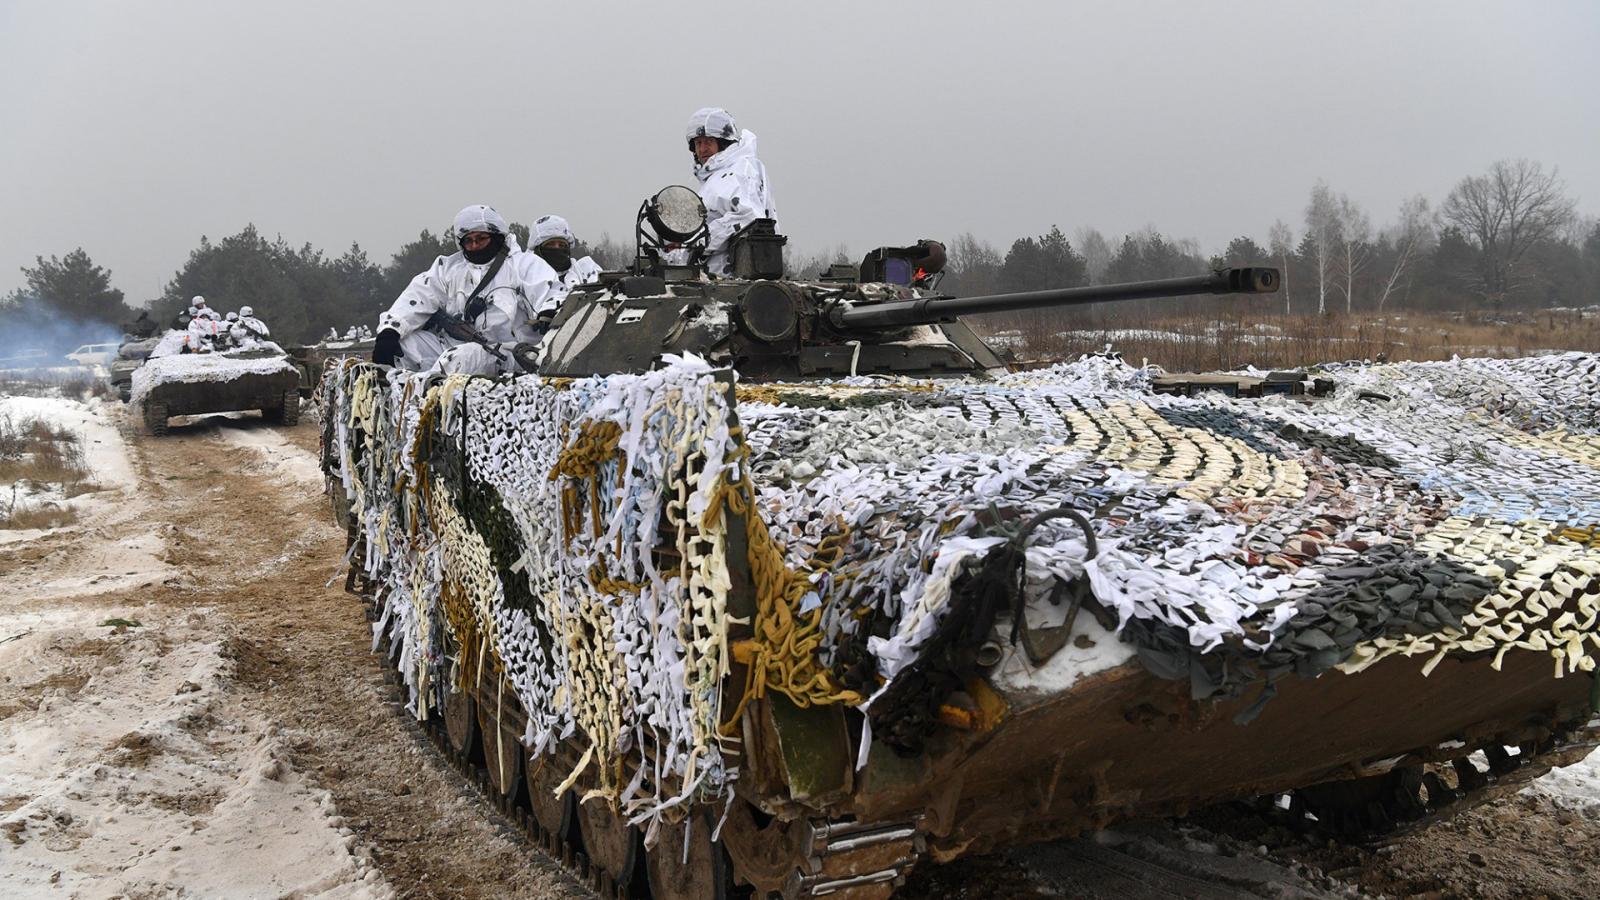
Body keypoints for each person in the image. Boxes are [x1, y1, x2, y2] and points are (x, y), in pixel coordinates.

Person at [372, 204, 558, 375]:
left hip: (508, 354)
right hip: (453, 345)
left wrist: (549, 310)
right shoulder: (449, 268)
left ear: (497, 236)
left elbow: (552, 294)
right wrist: (390, 331)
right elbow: (418, 296)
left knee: (460, 358)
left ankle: (432, 400)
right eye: (468, 241)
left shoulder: (523, 265)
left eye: (481, 238)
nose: (474, 246)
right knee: (403, 346)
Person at [685, 107, 777, 276]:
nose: (702, 149)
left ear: (723, 143)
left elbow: (750, 218)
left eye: (708, 142)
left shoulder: (741, 169)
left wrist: (699, 243)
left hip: (734, 280)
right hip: (713, 279)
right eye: (698, 143)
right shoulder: (715, 177)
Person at [529, 215, 602, 315]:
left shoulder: (586, 271)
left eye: (562, 245)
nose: (557, 248)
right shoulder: (528, 280)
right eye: (550, 244)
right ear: (538, 249)